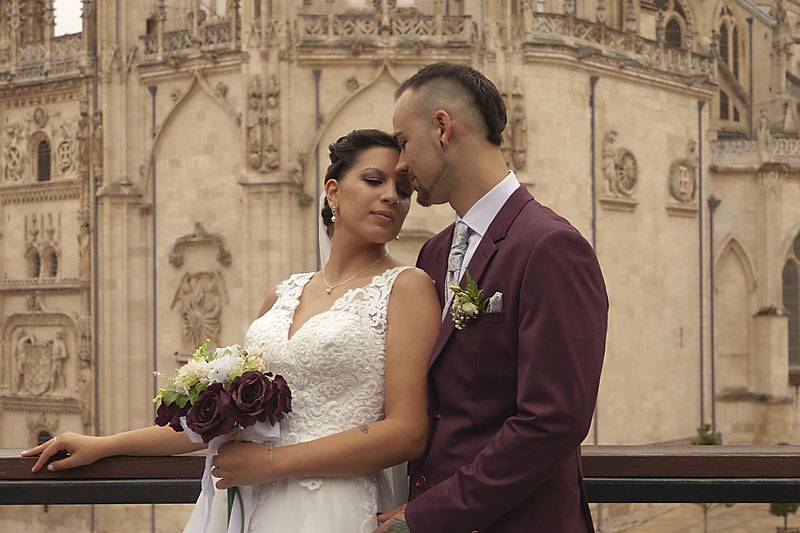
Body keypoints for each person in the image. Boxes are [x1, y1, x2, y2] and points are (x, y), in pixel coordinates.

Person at [22, 129, 441, 533]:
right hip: (248, 502)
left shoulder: (407, 288)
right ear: (332, 191)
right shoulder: (284, 294)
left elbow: (407, 433)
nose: (391, 195)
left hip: (334, 505)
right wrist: (105, 445)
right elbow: (221, 416)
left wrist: (272, 464)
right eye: (373, 180)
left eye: (403, 190)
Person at [376, 63, 608, 532]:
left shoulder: (550, 246)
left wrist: (429, 516)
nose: (398, 166)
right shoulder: (435, 253)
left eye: (402, 142)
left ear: (442, 128)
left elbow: (553, 420)